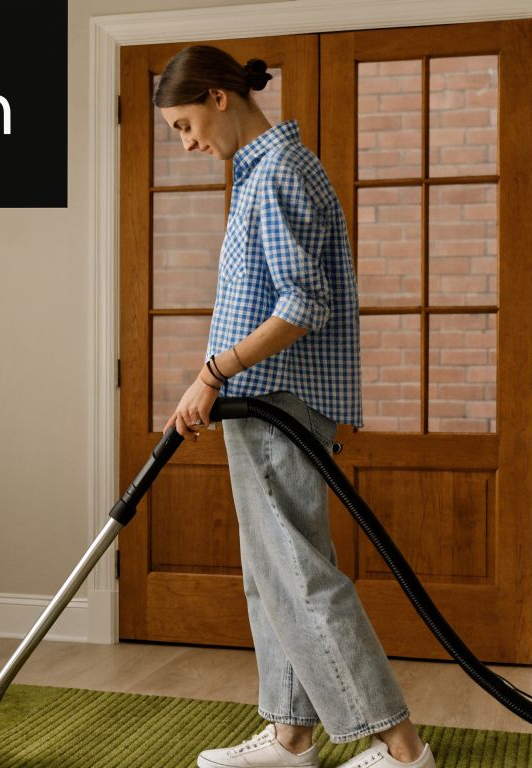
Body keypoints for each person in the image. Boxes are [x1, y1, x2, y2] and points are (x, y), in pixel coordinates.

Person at [155, 46, 436, 768]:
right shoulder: (261, 172)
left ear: (219, 97)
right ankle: (290, 736)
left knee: (300, 574)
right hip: (258, 402)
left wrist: (212, 373)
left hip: (278, 399)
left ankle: (401, 748)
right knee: (273, 574)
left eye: (185, 126)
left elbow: (303, 303)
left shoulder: (279, 171)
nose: (187, 145)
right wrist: (218, 384)